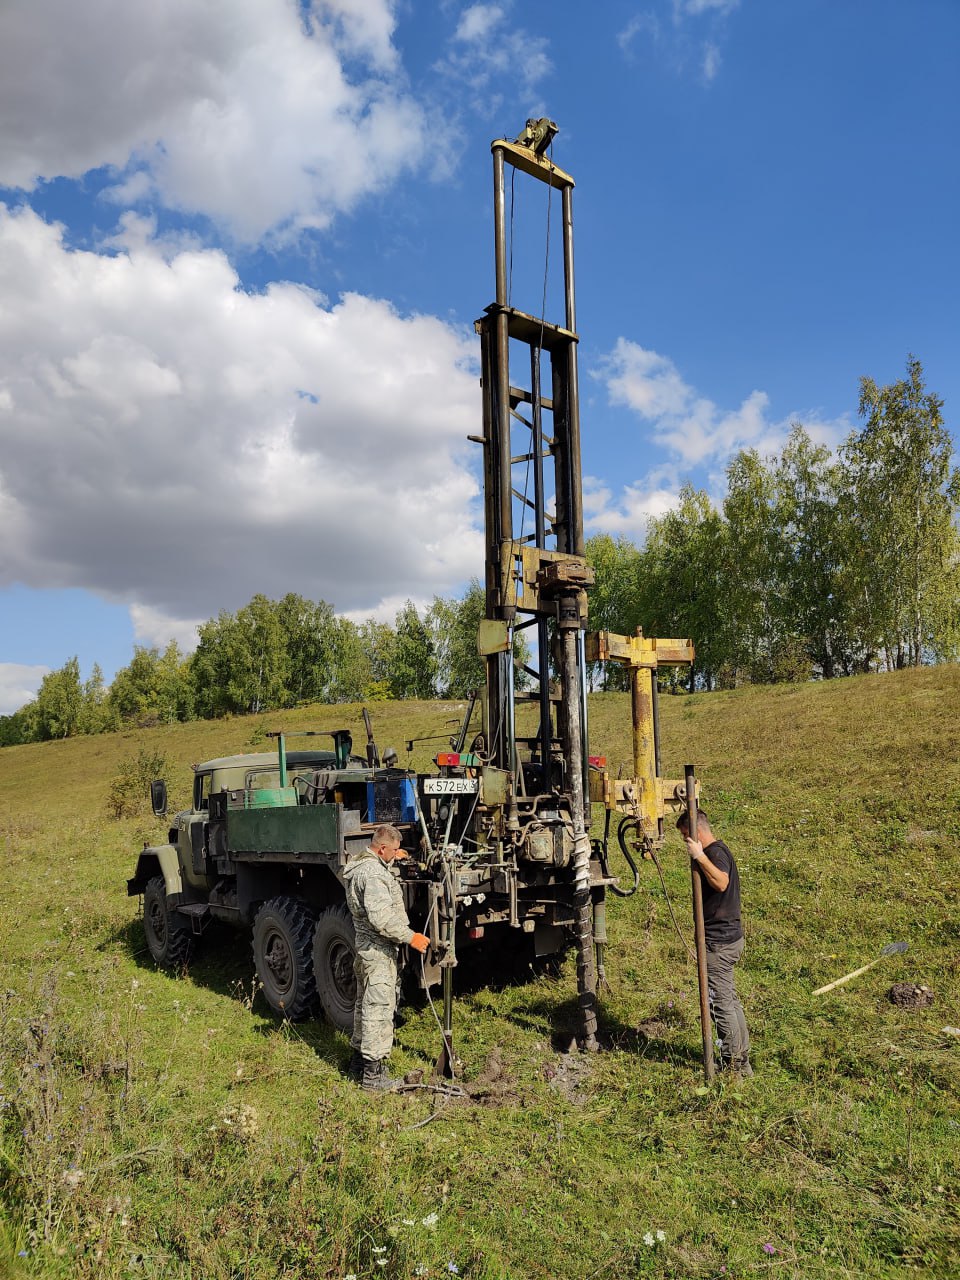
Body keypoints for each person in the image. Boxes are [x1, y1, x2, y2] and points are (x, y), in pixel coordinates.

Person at [343, 823, 430, 1091]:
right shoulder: (372, 875)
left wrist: (395, 859)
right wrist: (410, 937)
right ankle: (373, 1077)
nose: (396, 854)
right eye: (392, 850)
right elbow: (381, 917)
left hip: (365, 949)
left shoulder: (365, 864)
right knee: (378, 1011)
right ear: (381, 849)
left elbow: (377, 879)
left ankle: (357, 1063)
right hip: (378, 951)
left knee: (363, 1006)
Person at [676, 807, 752, 1076]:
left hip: (719, 943)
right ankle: (742, 1060)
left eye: (686, 836)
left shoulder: (715, 853)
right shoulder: (720, 850)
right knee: (729, 1000)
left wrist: (699, 856)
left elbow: (720, 882)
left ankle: (733, 1064)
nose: (685, 842)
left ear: (697, 832)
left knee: (720, 1004)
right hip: (728, 938)